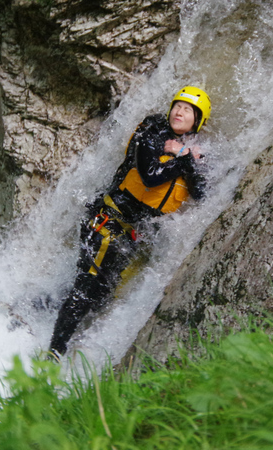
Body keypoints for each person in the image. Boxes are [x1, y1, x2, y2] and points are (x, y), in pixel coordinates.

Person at [49, 86, 211, 357]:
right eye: (177, 106)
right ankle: (53, 355)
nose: (179, 112)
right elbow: (149, 175)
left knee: (101, 294)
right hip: (107, 218)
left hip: (131, 233)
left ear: (198, 120)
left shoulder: (188, 149)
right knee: (85, 286)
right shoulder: (153, 131)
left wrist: (185, 155)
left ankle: (46, 307)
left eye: (188, 110)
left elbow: (200, 192)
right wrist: (184, 159)